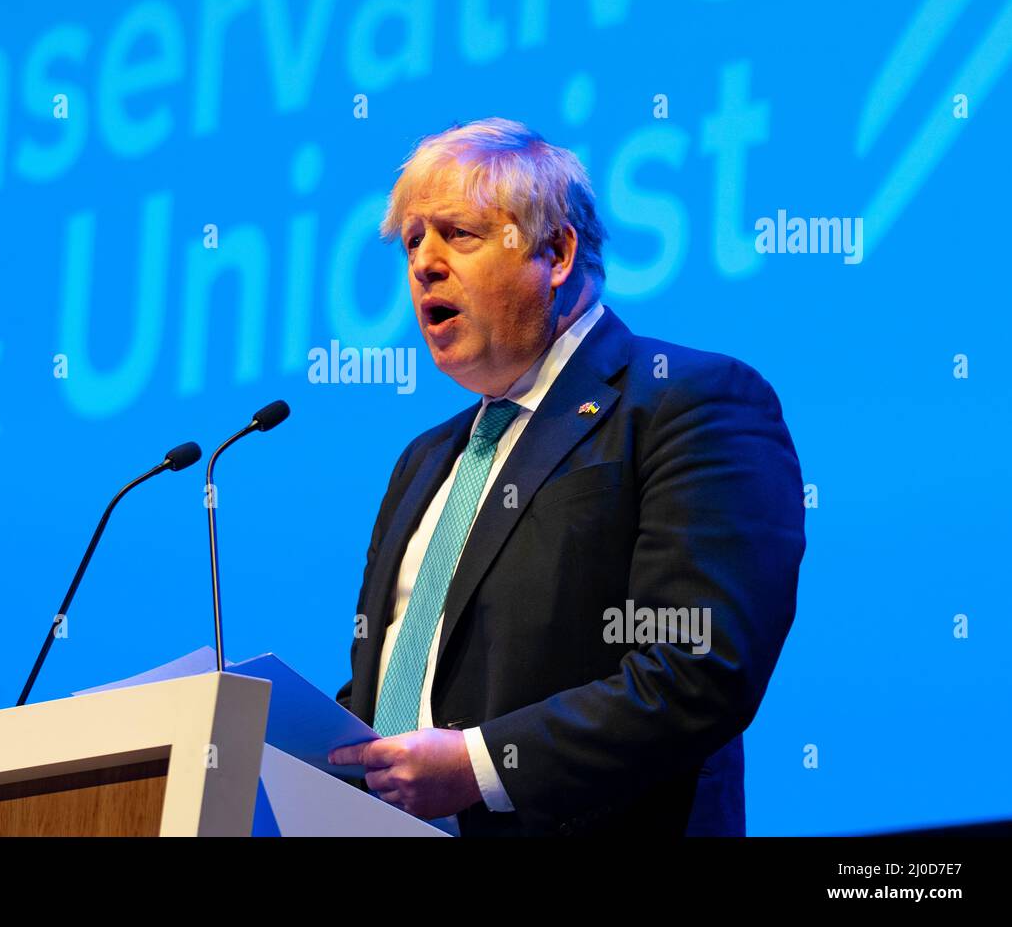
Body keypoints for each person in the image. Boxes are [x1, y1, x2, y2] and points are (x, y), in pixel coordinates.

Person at [328, 117, 805, 837]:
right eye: (412, 239)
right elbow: (407, 682)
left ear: (555, 251)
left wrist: (479, 767)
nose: (423, 262)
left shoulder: (687, 401)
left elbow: (701, 668)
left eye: (457, 234)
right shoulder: (425, 459)